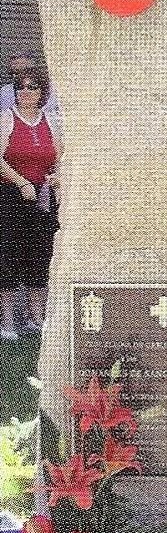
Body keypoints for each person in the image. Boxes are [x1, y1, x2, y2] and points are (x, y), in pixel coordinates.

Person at [1, 66, 62, 342]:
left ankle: (37, 318)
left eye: (32, 86)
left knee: (40, 256)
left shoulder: (52, 121)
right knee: (11, 256)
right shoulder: (7, 119)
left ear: (42, 92)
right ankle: (9, 321)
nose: (25, 91)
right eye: (20, 87)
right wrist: (22, 182)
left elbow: (60, 160)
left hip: (43, 197)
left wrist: (57, 177)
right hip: (12, 197)